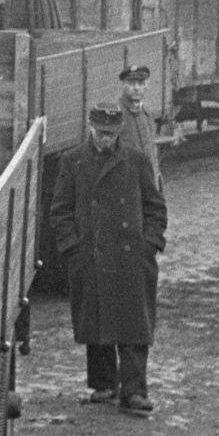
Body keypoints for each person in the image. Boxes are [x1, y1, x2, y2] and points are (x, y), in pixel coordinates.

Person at [49, 104, 168, 416]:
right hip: (91, 256)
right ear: (90, 128)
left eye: (111, 135)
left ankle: (135, 392)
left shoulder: (136, 161)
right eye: (101, 133)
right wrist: (72, 249)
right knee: (98, 322)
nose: (105, 140)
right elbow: (59, 210)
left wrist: (150, 244)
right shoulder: (73, 161)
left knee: (133, 326)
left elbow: (156, 207)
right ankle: (103, 385)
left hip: (131, 258)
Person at [117, 63, 180, 189]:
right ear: (123, 85)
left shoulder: (146, 113)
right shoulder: (118, 114)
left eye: (140, 83)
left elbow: (150, 150)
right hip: (127, 187)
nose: (136, 88)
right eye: (131, 83)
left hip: (148, 184)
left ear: (147, 86)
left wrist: (157, 180)